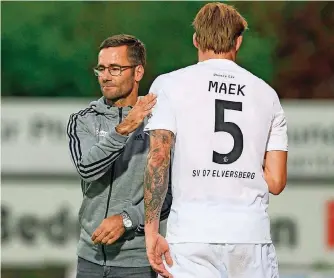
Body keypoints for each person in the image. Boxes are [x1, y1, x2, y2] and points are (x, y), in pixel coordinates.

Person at [143, 3, 288, 278]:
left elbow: (158, 158)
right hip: (250, 235)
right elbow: (277, 181)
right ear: (238, 41)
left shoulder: (169, 84)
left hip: (190, 235)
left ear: (196, 39)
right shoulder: (267, 94)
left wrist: (151, 231)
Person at [66, 34, 172, 278]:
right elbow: (87, 169)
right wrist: (125, 128)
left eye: (115, 68)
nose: (105, 76)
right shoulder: (83, 120)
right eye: (101, 68)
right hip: (89, 258)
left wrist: (126, 219)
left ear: (138, 73)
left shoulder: (160, 123)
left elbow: (168, 194)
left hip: (137, 263)